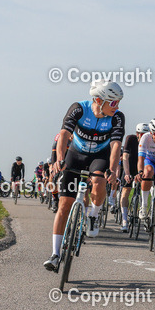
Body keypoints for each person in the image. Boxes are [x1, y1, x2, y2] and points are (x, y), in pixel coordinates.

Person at [43, 79, 126, 271]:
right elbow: (64, 134)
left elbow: (115, 146)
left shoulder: (117, 117)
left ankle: (93, 216)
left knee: (98, 180)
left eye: (119, 102)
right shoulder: (79, 108)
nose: (117, 106)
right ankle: (55, 254)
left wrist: (112, 171)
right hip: (76, 154)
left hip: (100, 156)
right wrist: (60, 160)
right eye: (113, 102)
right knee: (64, 205)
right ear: (99, 100)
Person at [119, 122, 150, 232]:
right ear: (137, 134)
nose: (144, 136)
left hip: (142, 167)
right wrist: (127, 173)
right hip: (130, 166)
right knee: (125, 191)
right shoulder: (130, 139)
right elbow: (125, 157)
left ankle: (146, 216)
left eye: (146, 134)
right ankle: (124, 220)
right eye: (141, 134)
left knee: (147, 188)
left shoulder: (150, 141)